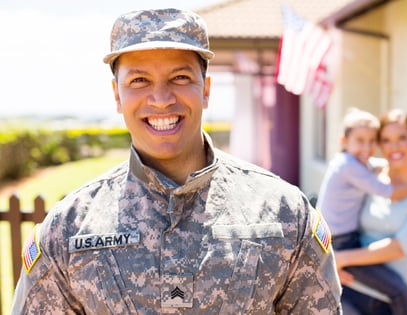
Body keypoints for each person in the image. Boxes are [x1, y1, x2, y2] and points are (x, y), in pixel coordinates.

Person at [11, 8, 342, 314]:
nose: (161, 99)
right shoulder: (68, 229)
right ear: (117, 95)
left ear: (206, 89)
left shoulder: (284, 212)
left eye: (180, 78)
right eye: (139, 81)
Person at [316, 107, 407, 315]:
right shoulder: (366, 173)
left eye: (401, 138)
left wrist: (340, 259)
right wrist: (332, 259)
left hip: (385, 300)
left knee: (401, 291)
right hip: (347, 285)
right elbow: (389, 185)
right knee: (399, 291)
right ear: (344, 141)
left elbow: (400, 247)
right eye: (386, 140)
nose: (394, 146)